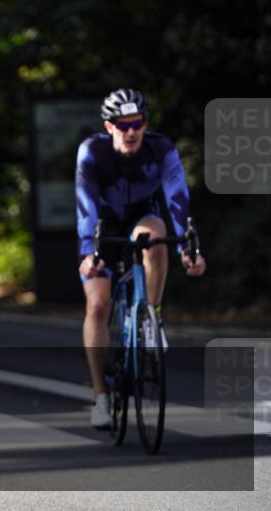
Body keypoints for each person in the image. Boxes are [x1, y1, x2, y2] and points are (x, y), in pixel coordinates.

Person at [76, 89, 206, 429]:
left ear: (146, 124)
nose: (131, 132)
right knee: (98, 306)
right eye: (123, 125)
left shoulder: (160, 148)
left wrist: (189, 249)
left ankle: (151, 317)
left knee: (154, 240)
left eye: (138, 123)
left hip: (141, 218)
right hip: (103, 227)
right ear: (109, 127)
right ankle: (101, 396)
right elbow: (85, 203)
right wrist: (89, 252)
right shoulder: (92, 151)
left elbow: (177, 198)